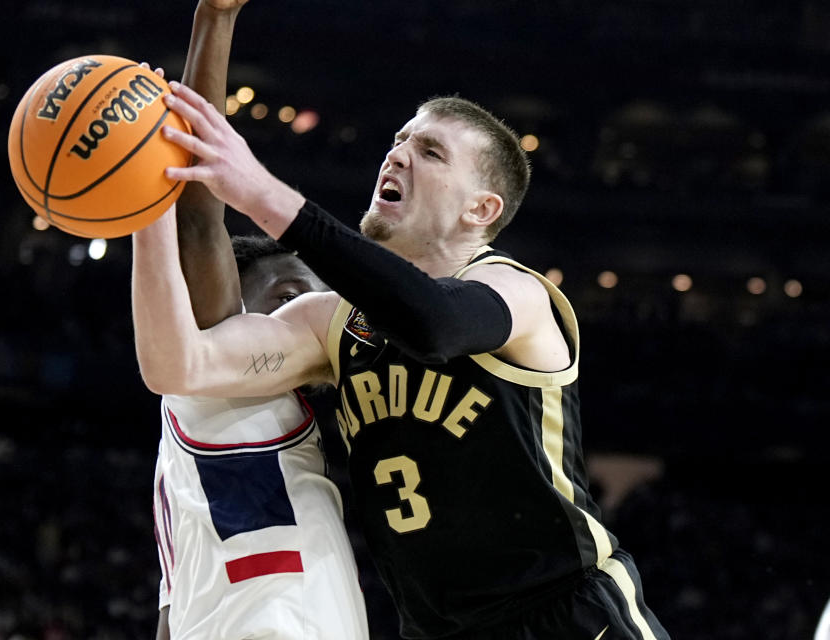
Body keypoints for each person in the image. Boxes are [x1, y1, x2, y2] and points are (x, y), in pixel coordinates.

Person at [133, 67, 670, 640]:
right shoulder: (331, 322)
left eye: (431, 151)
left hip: (561, 615)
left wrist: (261, 194)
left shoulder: (519, 294)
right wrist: (142, 204)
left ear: (480, 210)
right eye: (398, 141)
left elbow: (434, 325)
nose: (398, 155)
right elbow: (180, 366)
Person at [139, 2, 368, 638]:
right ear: (231, 302)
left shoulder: (241, 411)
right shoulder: (212, 374)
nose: (314, 316)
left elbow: (171, 612)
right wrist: (215, 18)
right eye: (292, 295)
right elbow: (197, 218)